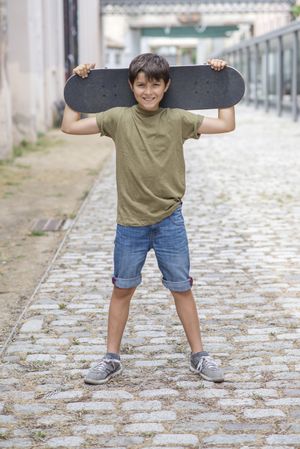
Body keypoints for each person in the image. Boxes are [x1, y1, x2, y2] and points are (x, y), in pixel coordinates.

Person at [61, 53, 235, 385]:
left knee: (181, 289)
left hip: (170, 221)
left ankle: (200, 355)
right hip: (130, 224)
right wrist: (76, 87)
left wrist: (221, 81)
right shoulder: (117, 118)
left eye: (155, 85)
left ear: (166, 86)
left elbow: (227, 124)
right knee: (122, 290)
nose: (148, 91)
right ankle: (111, 358)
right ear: (132, 86)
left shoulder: (178, 119)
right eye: (141, 85)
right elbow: (69, 125)